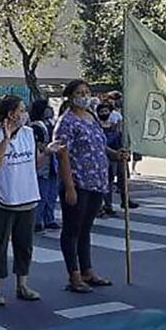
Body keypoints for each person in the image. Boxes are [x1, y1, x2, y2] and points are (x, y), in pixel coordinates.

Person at [55, 80, 130, 293]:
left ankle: (87, 270)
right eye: (80, 93)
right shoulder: (66, 122)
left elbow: (99, 145)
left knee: (85, 229)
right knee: (72, 229)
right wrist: (69, 187)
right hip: (78, 182)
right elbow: (62, 155)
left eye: (86, 92)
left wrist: (116, 155)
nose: (84, 96)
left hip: (97, 181)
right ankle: (74, 275)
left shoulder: (91, 117)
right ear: (70, 97)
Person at [0, 96, 52, 307]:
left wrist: (47, 152)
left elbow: (33, 165)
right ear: (11, 114)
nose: (25, 114)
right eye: (21, 110)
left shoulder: (29, 133)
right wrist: (7, 139)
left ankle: (23, 284)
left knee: (24, 245)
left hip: (26, 197)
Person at [29, 99, 60, 232]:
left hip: (53, 162)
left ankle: (49, 218)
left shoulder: (51, 123)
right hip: (43, 161)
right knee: (41, 193)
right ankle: (37, 220)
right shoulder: (36, 126)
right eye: (46, 107)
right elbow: (37, 145)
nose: (49, 110)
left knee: (51, 193)